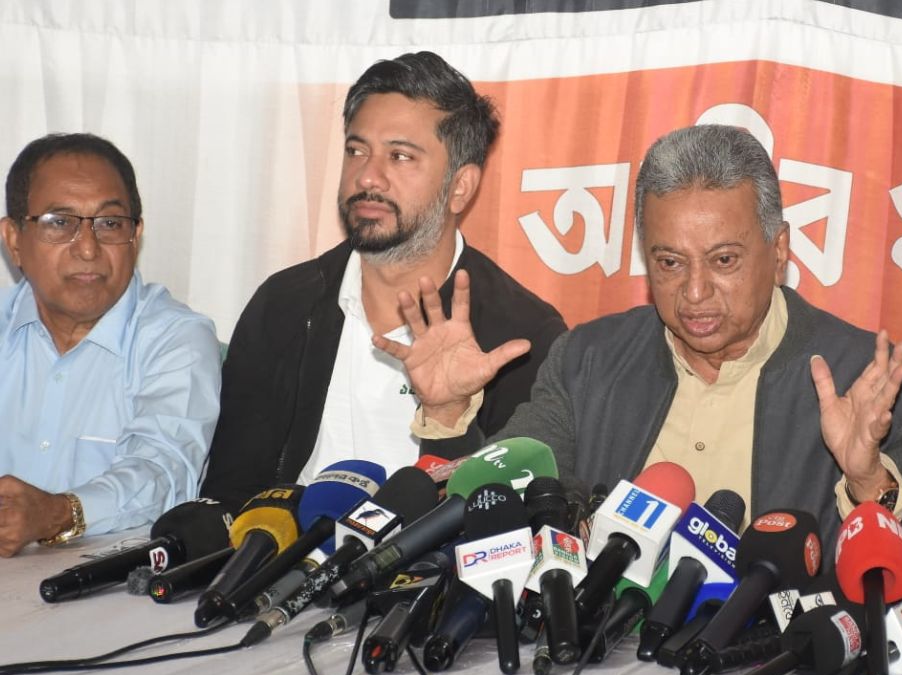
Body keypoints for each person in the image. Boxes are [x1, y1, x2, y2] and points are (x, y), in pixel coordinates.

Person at [383, 124, 902, 592]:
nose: (695, 292)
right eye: (669, 263)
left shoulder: (867, 380)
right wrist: (451, 419)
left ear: (779, 249)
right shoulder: (588, 360)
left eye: (724, 260)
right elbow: (497, 513)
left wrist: (867, 481)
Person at [200, 52, 565, 510]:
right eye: (357, 150)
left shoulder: (521, 337)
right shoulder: (284, 304)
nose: (368, 176)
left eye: (399, 156)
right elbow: (229, 497)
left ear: (460, 187)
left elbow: (503, 525)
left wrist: (449, 415)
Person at [0, 133, 221, 557]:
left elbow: (163, 471)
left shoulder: (177, 340)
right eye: (59, 222)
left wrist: (59, 514)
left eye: (110, 223)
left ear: (135, 236)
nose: (88, 248)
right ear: (14, 241)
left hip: (113, 585)